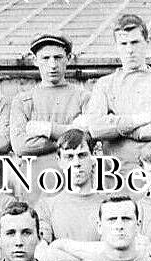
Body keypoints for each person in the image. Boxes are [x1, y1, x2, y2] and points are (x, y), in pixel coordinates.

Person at [79, 14, 151, 180]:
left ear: (147, 41)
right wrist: (140, 120)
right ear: (116, 46)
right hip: (116, 175)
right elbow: (96, 128)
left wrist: (125, 129)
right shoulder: (104, 84)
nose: (129, 50)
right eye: (123, 44)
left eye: (135, 42)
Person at [9, 34, 91, 203]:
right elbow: (19, 145)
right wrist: (70, 134)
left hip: (73, 188)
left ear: (68, 58)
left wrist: (46, 129)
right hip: (35, 187)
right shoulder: (23, 100)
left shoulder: (83, 97)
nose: (52, 64)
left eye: (58, 57)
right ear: (35, 60)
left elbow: (89, 138)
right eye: (46, 58)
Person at [33, 128, 106, 261]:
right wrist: (97, 254)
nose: (76, 163)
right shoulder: (46, 206)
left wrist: (64, 245)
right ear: (59, 161)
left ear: (93, 159)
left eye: (82, 155)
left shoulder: (109, 205)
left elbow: (119, 252)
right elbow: (41, 256)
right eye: (69, 157)